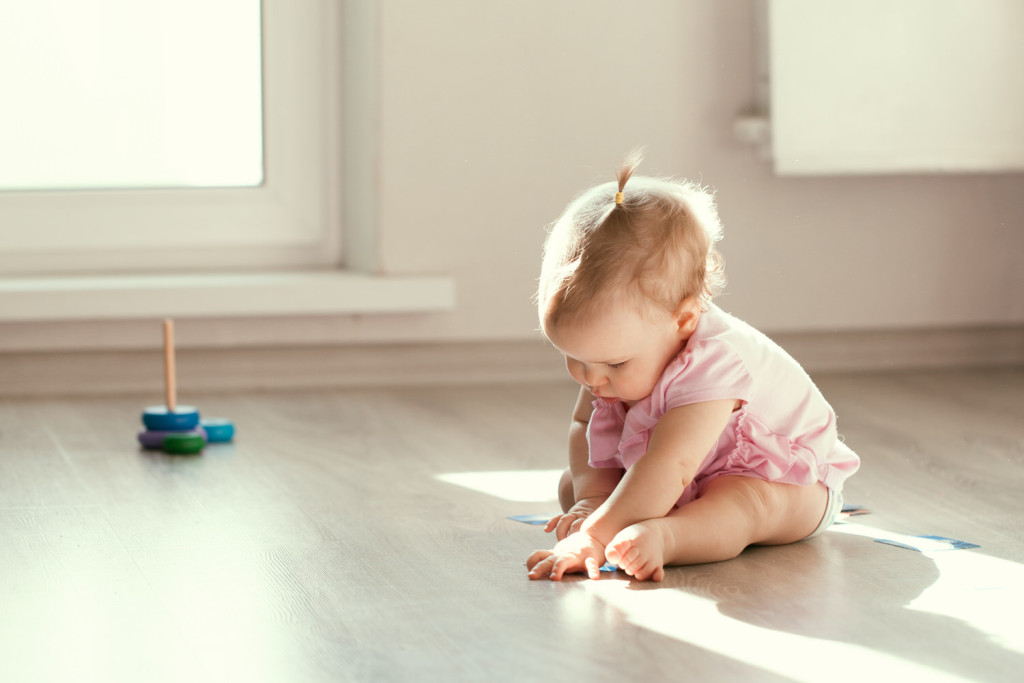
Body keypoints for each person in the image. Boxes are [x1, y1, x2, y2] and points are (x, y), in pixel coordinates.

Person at [527, 151, 860, 582]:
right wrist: (593, 500)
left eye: (611, 363)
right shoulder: (613, 360)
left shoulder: (715, 364)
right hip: (680, 473)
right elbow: (583, 426)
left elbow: (672, 464)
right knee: (572, 486)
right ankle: (645, 518)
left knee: (742, 503)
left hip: (784, 482)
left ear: (683, 320)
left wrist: (594, 536)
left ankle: (669, 537)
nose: (592, 379)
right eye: (574, 358)